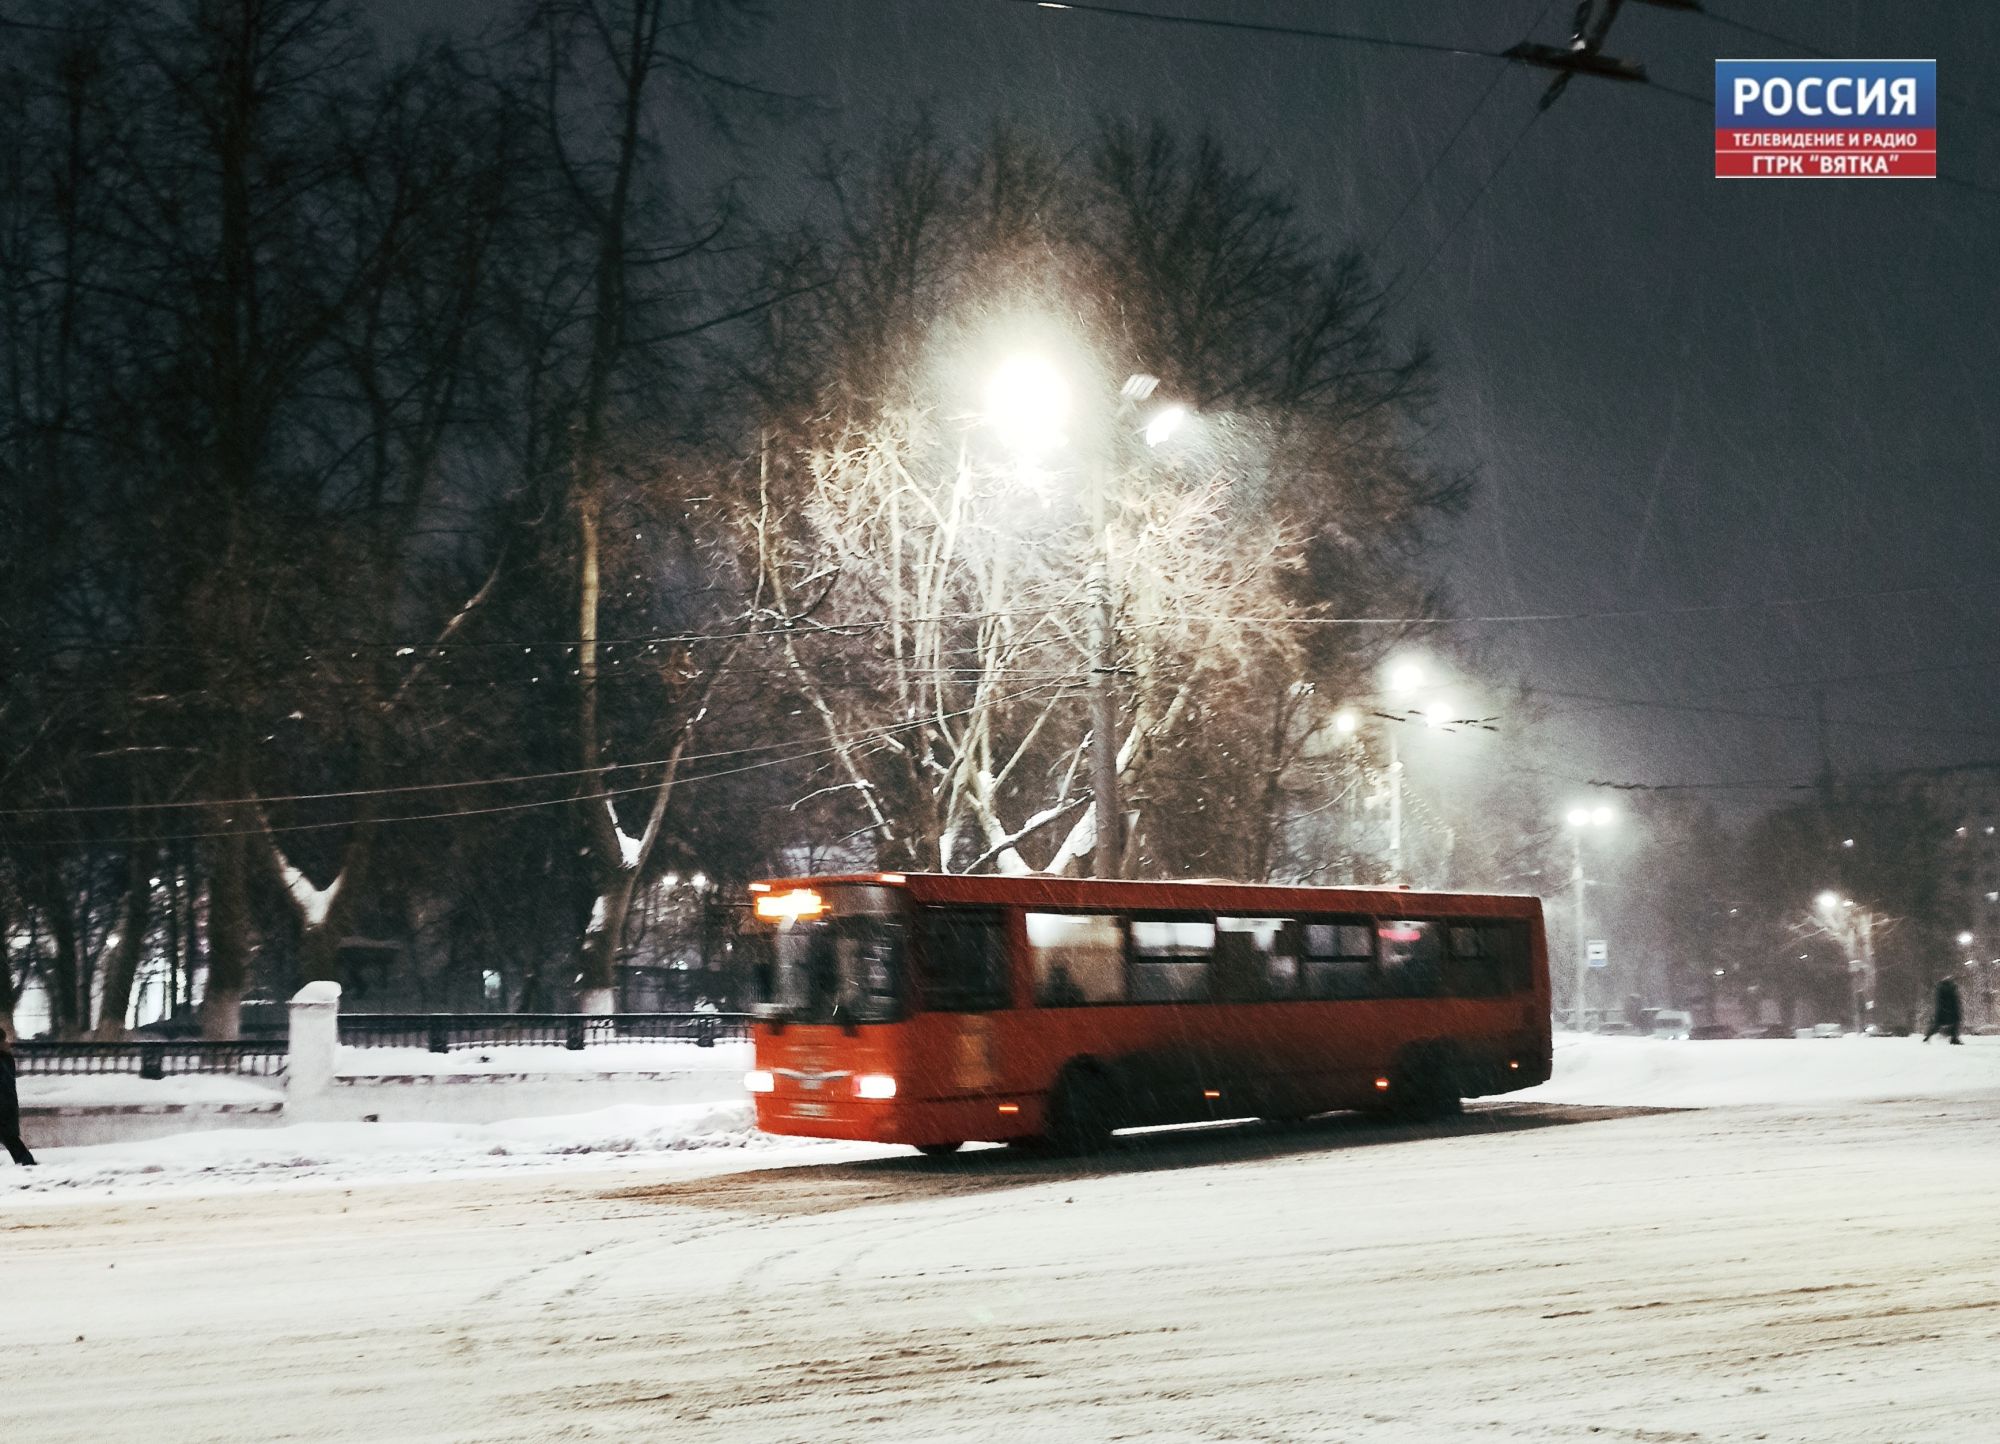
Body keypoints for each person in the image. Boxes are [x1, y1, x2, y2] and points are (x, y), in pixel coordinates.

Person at [0, 1029, 37, 1166]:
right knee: (11, 1139)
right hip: (6, 1105)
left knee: (10, 1139)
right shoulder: (6, 1057)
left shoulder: (3, 1058)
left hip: (3, 1106)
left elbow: (4, 1083)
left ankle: (28, 1164)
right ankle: (27, 1163)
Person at [1923, 976, 1964, 1045]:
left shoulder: (1942, 989)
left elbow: (1952, 1000)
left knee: (1939, 1025)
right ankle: (1953, 1039)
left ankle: (1953, 1038)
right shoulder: (1947, 989)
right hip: (1948, 1011)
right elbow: (1951, 1000)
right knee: (1953, 1023)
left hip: (1945, 1011)